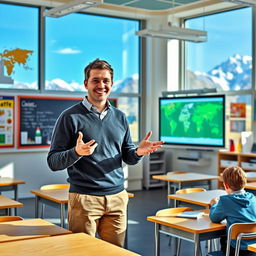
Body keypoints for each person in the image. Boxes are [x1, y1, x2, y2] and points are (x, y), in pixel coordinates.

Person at [47, 58, 164, 247]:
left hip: (117, 198)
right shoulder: (69, 117)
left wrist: (138, 152)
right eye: (95, 80)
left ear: (111, 84)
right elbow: (53, 162)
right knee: (82, 252)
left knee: (115, 251)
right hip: (84, 199)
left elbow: (128, 157)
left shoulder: (120, 117)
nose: (101, 85)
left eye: (105, 80)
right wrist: (76, 152)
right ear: (86, 84)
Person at [209, 166, 256, 256]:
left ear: (226, 185)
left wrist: (214, 204)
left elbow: (214, 218)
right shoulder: (253, 198)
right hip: (253, 248)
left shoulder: (224, 201)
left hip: (234, 250)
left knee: (223, 236)